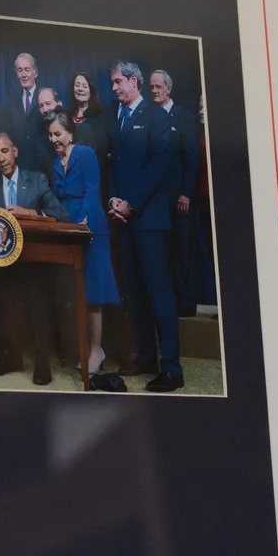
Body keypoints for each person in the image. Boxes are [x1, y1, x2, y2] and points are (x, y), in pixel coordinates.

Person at [106, 61, 185, 392]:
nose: (114, 88)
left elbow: (159, 166)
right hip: (124, 221)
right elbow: (114, 163)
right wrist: (113, 199)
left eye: (117, 82)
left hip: (148, 221)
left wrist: (131, 203)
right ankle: (147, 358)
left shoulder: (155, 116)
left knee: (159, 294)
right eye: (112, 84)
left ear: (133, 81)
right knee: (135, 293)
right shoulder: (120, 117)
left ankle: (172, 370)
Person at [0, 130, 66, 385]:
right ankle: (8, 354)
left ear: (15, 151)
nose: (1, 158)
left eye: (4, 151)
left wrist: (30, 212)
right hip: (4, 264)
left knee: (37, 287)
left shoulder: (36, 181)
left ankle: (41, 358)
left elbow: (60, 211)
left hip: (36, 262)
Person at [46, 112, 117, 376]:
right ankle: (86, 349)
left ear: (70, 133)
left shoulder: (85, 154)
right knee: (77, 294)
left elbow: (92, 190)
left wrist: (83, 223)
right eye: (51, 135)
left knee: (93, 295)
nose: (54, 139)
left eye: (58, 134)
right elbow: (59, 200)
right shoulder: (55, 164)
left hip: (91, 229)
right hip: (69, 229)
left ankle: (97, 350)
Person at [150, 68, 204, 315]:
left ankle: (186, 303)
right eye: (151, 87)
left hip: (179, 198)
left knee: (183, 250)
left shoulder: (184, 117)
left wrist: (186, 193)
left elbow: (192, 158)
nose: (154, 91)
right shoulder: (149, 117)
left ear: (169, 89)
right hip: (156, 199)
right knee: (163, 251)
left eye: (158, 87)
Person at [13, 52, 41, 122]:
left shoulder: (43, 96)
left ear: (35, 73)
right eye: (20, 70)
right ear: (17, 75)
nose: (23, 75)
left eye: (27, 70)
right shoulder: (11, 102)